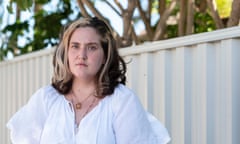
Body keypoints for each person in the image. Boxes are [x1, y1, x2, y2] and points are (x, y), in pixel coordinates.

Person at [7, 17, 170, 144]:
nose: (81, 55)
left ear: (105, 55)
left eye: (92, 47)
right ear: (67, 52)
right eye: (75, 46)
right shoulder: (46, 99)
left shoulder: (122, 101)